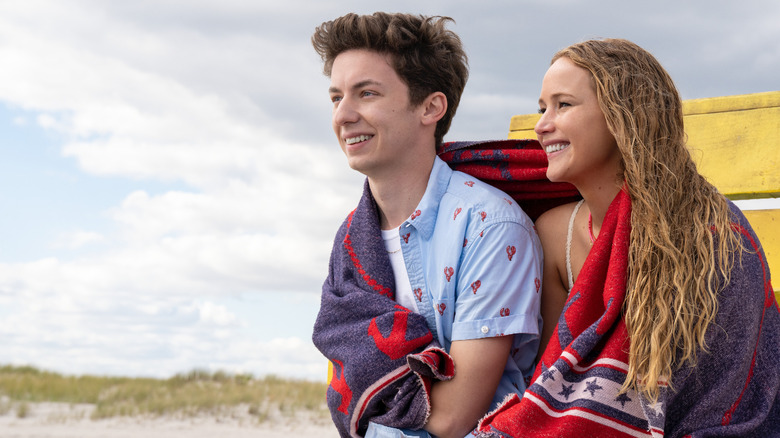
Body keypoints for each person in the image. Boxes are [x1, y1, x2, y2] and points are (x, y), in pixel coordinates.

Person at [477, 38, 780, 437]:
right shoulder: (554, 232)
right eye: (541, 108)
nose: (542, 125)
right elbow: (556, 380)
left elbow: (725, 385)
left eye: (563, 104)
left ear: (625, 116)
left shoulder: (713, 235)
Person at [310, 12, 543, 438]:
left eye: (366, 93)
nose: (343, 115)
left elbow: (455, 418)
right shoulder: (352, 241)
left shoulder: (489, 227)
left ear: (431, 107)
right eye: (335, 97)